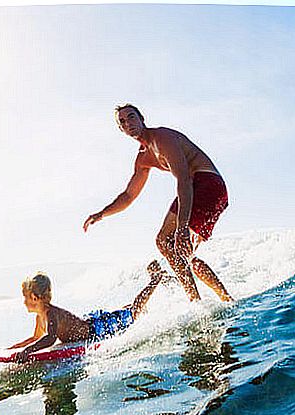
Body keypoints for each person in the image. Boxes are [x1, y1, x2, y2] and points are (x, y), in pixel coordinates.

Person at [83, 104, 233, 302]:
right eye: (123, 122)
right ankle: (227, 300)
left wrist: (182, 228)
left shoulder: (162, 138)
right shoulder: (143, 158)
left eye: (131, 117)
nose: (128, 123)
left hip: (206, 184)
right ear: (121, 129)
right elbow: (129, 195)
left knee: (164, 240)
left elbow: (184, 181)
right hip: (208, 190)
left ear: (141, 118)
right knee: (184, 254)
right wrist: (101, 214)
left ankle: (195, 302)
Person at [10, 260, 168, 363]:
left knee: (133, 312)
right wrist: (14, 349)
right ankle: (129, 307)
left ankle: (156, 279)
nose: (24, 302)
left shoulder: (51, 314)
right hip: (86, 322)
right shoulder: (40, 318)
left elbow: (50, 339)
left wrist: (27, 352)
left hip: (95, 330)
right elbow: (36, 338)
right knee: (123, 313)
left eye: (25, 298)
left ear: (35, 297)